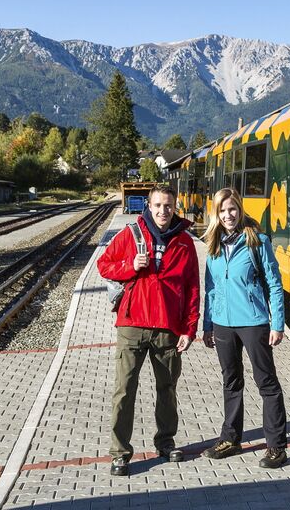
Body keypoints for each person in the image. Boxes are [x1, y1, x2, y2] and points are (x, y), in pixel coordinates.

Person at [97, 185, 200, 477]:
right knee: (124, 389)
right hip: (132, 324)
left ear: (175, 206)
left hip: (168, 327)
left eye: (168, 206)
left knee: (167, 389)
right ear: (149, 206)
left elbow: (193, 288)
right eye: (157, 205)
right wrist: (129, 265)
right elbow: (104, 265)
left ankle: (165, 442)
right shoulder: (131, 234)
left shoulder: (184, 242)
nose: (163, 211)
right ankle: (120, 453)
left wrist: (189, 329)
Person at [202, 187, 288, 468]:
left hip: (253, 322)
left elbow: (274, 284)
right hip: (222, 324)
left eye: (232, 209)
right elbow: (211, 289)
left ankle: (276, 447)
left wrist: (277, 324)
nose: (228, 215)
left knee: (266, 383)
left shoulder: (257, 241)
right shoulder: (213, 245)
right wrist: (207, 325)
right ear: (216, 214)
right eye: (222, 211)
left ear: (240, 209)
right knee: (231, 381)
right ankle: (231, 439)